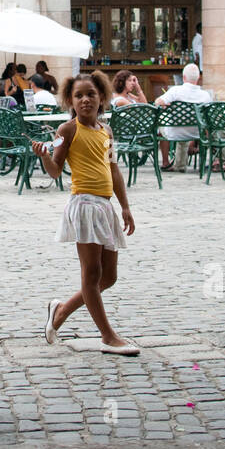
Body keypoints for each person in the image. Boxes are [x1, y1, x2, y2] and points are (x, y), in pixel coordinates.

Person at [33, 71, 139, 355]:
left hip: (105, 208)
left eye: (90, 94)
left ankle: (61, 311)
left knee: (109, 277)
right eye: (78, 96)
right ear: (70, 100)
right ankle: (108, 336)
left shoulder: (106, 131)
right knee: (91, 275)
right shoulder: (67, 131)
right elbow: (55, 171)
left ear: (101, 96)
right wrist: (44, 155)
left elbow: (114, 169)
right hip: (84, 207)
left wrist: (125, 206)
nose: (85, 100)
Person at [154, 63, 213, 171]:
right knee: (187, 126)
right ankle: (179, 164)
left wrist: (167, 105)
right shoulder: (205, 95)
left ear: (183, 77)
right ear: (198, 77)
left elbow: (157, 103)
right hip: (197, 132)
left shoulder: (175, 91)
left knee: (161, 124)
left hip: (175, 132)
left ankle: (167, 162)